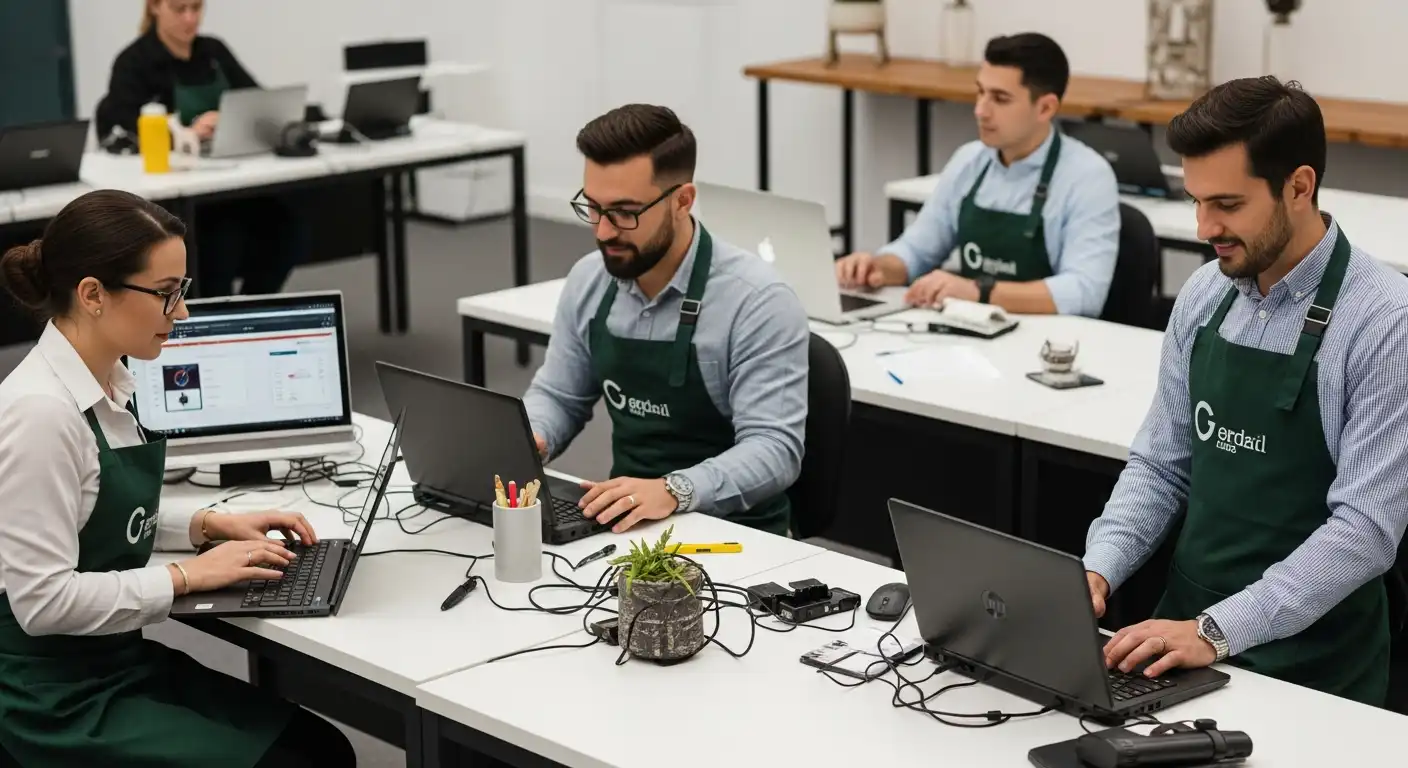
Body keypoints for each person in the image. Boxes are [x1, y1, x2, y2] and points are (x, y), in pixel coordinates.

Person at [0, 190, 356, 767]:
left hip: (108, 660)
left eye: (181, 291)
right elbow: (43, 603)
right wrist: (185, 577)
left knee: (321, 747)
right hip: (47, 695)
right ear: (92, 295)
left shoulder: (110, 379)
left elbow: (91, 506)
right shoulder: (41, 414)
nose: (182, 313)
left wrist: (204, 524)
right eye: (167, 295)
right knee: (305, 761)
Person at [1082, 77, 1408, 707]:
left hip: (1315, 665)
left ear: (1299, 186)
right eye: (1195, 200)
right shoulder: (1205, 297)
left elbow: (1365, 530)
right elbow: (1160, 466)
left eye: (1227, 204)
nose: (1205, 226)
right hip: (1179, 637)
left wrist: (1219, 630)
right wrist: (1099, 567)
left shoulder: (1384, 321)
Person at [523, 104, 809, 537]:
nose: (602, 232)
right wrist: (533, 436)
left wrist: (673, 490)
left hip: (740, 537)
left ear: (682, 201)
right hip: (629, 527)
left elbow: (775, 450)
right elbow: (559, 395)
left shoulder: (757, 301)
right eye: (593, 208)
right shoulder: (589, 280)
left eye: (624, 213)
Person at [834, 33, 1119, 317]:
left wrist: (978, 292)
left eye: (1000, 98)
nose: (980, 110)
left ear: (1045, 108)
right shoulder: (969, 161)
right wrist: (876, 267)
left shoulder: (1087, 177)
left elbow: (1083, 293)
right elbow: (917, 250)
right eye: (980, 92)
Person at [94, 0, 309, 298]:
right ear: (155, 7)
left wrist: (230, 118)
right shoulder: (135, 62)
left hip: (232, 180)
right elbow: (124, 128)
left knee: (289, 230)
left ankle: (251, 310)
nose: (190, 18)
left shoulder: (214, 51)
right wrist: (186, 133)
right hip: (178, 197)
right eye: (180, 9)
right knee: (221, 239)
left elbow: (256, 100)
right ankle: (214, 322)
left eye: (196, 8)